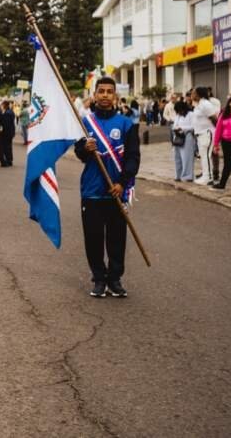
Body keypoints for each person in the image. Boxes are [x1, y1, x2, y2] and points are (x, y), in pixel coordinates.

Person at [74, 76, 140, 298]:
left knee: (117, 238)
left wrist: (122, 183)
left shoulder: (126, 124)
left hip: (116, 192)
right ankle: (99, 279)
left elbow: (133, 158)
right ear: (94, 95)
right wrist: (85, 148)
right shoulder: (85, 123)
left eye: (109, 92)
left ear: (115, 96)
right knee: (93, 238)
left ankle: (114, 279)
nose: (104, 95)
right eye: (100, 91)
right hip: (92, 191)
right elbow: (79, 153)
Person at [191, 87, 219, 186]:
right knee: (203, 156)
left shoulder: (205, 104)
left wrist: (217, 134)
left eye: (193, 93)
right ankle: (205, 175)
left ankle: (208, 178)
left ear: (199, 94)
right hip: (200, 133)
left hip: (207, 133)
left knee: (206, 156)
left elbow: (214, 119)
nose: (192, 95)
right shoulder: (199, 104)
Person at [172, 101, 195, 182]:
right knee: (177, 157)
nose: (179, 113)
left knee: (187, 157)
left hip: (187, 137)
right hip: (178, 137)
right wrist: (176, 128)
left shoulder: (191, 114)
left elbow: (193, 126)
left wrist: (182, 128)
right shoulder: (178, 116)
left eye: (180, 111)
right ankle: (178, 175)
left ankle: (187, 176)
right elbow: (174, 125)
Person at [0, 100, 16, 166]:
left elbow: (6, 124)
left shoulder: (7, 113)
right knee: (9, 146)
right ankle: (9, 159)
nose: (1, 106)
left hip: (7, 132)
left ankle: (8, 160)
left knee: (6, 147)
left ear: (4, 105)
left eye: (2, 105)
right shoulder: (10, 112)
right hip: (10, 131)